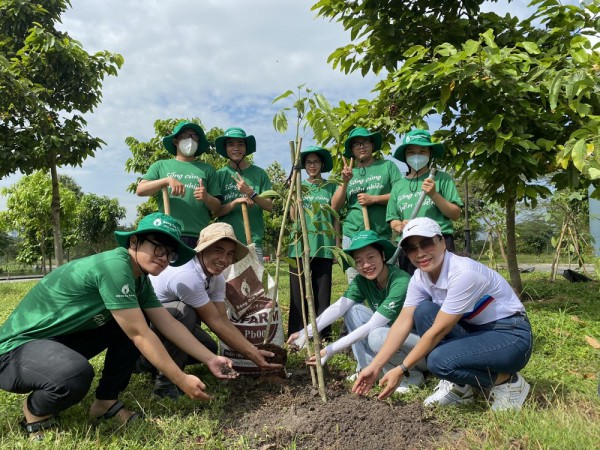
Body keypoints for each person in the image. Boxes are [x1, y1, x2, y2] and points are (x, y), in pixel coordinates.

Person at [0, 213, 236, 440]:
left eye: (171, 253)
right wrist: (181, 379)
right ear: (134, 241)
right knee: (76, 373)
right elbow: (140, 335)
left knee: (135, 320)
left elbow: (169, 323)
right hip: (14, 351)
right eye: (159, 248)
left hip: (59, 341)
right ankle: (35, 412)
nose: (164, 258)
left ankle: (105, 402)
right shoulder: (115, 267)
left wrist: (210, 358)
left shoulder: (139, 279)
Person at [352, 217, 533, 411]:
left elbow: (438, 331)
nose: (420, 253)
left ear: (442, 242)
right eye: (412, 248)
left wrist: (401, 368)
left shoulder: (464, 273)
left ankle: (508, 382)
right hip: (476, 331)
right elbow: (403, 321)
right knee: (424, 311)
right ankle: (461, 388)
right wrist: (376, 365)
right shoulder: (420, 278)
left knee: (438, 361)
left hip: (511, 336)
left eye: (426, 243)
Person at [146, 222, 283, 398]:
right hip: (149, 322)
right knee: (184, 312)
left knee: (208, 346)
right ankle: (163, 382)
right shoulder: (187, 276)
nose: (224, 260)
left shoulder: (215, 277)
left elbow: (221, 318)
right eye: (218, 250)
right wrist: (252, 354)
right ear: (202, 249)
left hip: (166, 324)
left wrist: (253, 351)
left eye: (230, 254)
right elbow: (214, 321)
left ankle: (157, 363)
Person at [287, 230, 426, 393]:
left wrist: (329, 350)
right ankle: (366, 368)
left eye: (370, 257)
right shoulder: (362, 281)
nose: (366, 265)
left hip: (419, 348)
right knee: (353, 311)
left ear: (382, 255)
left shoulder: (400, 282)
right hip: (393, 336)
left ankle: (412, 376)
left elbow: (372, 325)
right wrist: (306, 332)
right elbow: (338, 308)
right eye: (359, 261)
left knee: (377, 336)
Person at [387, 129, 463, 275]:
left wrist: (434, 195)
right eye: (411, 152)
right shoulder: (398, 186)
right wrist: (399, 226)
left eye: (422, 151)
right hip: (409, 244)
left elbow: (455, 214)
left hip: (437, 241)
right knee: (414, 288)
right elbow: (393, 219)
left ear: (429, 154)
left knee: (444, 286)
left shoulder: (442, 178)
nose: (416, 156)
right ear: (405, 156)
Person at [332, 127, 401, 283]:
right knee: (356, 283)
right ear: (352, 150)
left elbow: (399, 196)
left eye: (365, 142)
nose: (361, 146)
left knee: (387, 280)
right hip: (353, 235)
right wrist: (344, 182)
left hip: (380, 235)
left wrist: (374, 199)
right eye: (356, 144)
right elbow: (335, 206)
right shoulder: (348, 173)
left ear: (372, 145)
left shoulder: (387, 167)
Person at [136, 121, 222, 247]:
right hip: (168, 232)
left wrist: (206, 197)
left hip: (200, 236)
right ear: (176, 141)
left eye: (194, 137)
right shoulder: (160, 166)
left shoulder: (208, 169)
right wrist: (166, 180)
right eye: (185, 136)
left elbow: (217, 207)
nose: (190, 140)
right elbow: (141, 190)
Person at [287, 146, 338, 341]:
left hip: (323, 244)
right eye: (308, 163)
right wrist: (293, 194)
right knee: (298, 293)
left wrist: (336, 244)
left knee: (322, 293)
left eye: (316, 162)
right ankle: (297, 332)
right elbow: (292, 217)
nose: (312, 166)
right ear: (304, 166)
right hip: (298, 244)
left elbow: (334, 216)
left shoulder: (330, 186)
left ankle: (323, 333)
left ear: (322, 164)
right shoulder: (299, 185)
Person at [214, 127, 273, 262]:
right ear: (225, 148)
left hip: (252, 242)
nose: (236, 148)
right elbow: (214, 212)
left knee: (254, 282)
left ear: (246, 148)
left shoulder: (260, 174)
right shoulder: (219, 175)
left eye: (240, 144)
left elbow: (269, 206)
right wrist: (235, 202)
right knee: (227, 283)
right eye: (231, 144)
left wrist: (251, 193)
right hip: (226, 241)